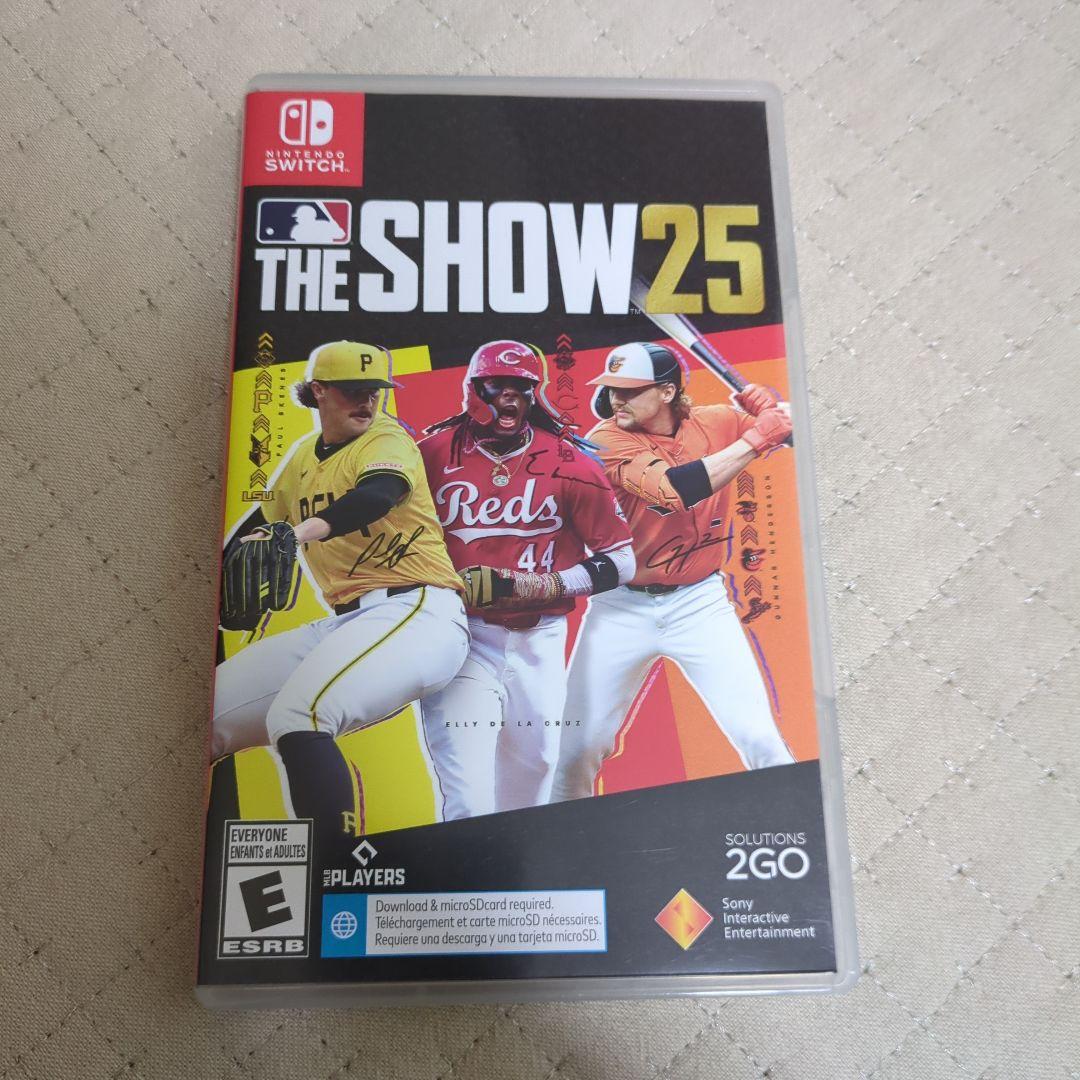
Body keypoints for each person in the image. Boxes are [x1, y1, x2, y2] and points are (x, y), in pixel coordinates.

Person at [212, 340, 469, 859]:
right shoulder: (303, 459)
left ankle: (334, 865)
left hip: (419, 612)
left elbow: (377, 495)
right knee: (210, 713)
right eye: (353, 390)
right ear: (319, 391)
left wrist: (299, 532)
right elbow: (252, 532)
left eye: (374, 390)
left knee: (301, 717)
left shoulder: (386, 438)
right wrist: (220, 593)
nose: (367, 401)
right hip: (348, 623)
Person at [551, 341, 795, 803]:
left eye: (630, 390)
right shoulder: (605, 440)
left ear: (666, 392)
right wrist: (757, 437)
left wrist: (776, 409)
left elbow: (796, 433)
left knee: (760, 737)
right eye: (613, 389)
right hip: (620, 608)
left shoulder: (718, 422)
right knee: (576, 750)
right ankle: (562, 833)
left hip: (699, 604)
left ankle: (794, 817)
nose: (616, 400)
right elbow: (673, 491)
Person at [418, 340, 635, 819]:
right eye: (497, 385)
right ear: (473, 388)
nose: (510, 397)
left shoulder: (570, 462)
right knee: (468, 791)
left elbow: (621, 562)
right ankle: (465, 866)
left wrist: (537, 586)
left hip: (540, 638)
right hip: (460, 635)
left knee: (535, 771)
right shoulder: (430, 455)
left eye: (521, 387)